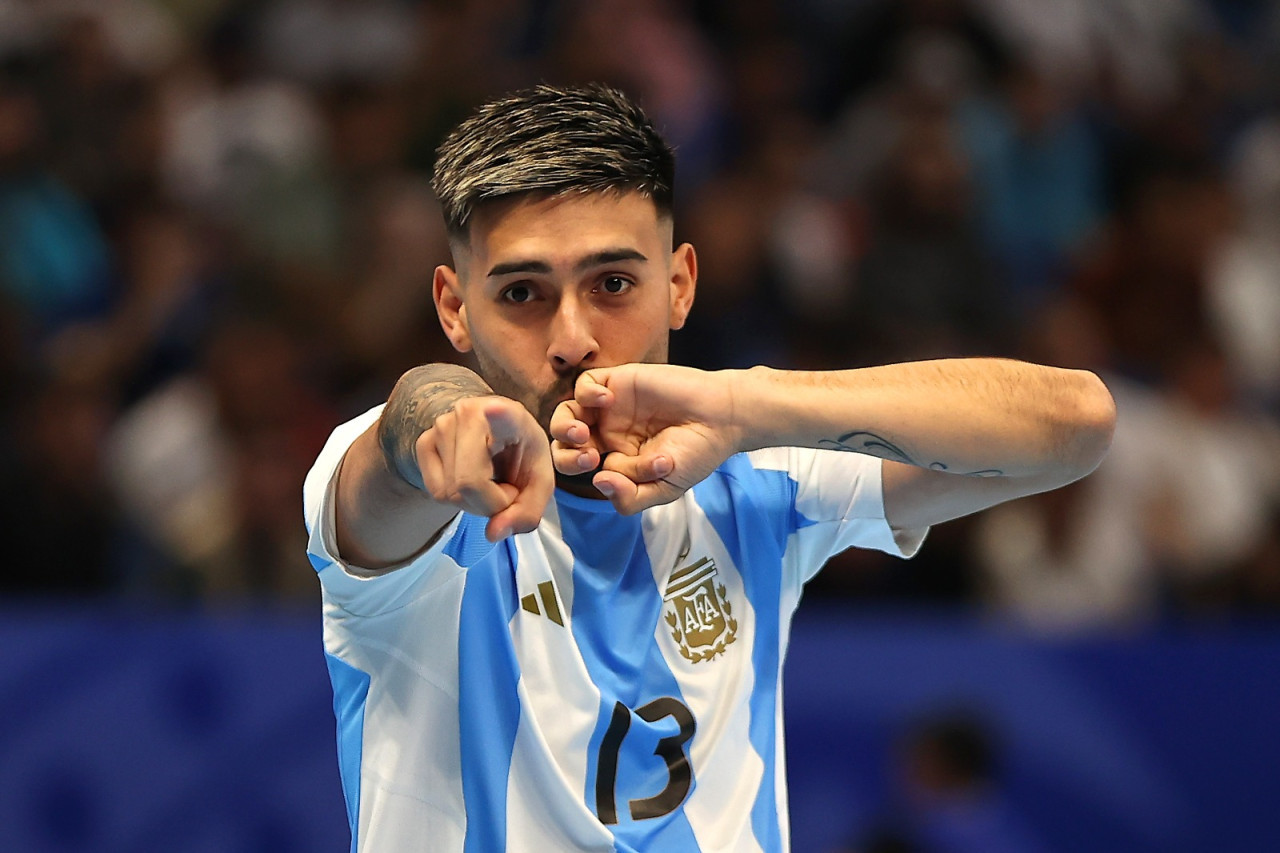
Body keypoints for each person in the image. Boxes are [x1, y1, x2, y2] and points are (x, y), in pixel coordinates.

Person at [302, 84, 1115, 852]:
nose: (573, 337)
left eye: (613, 282)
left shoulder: (758, 471)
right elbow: (414, 424)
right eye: (521, 293)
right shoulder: (414, 493)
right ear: (453, 306)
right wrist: (445, 417)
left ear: (681, 284)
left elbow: (1076, 423)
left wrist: (749, 406)